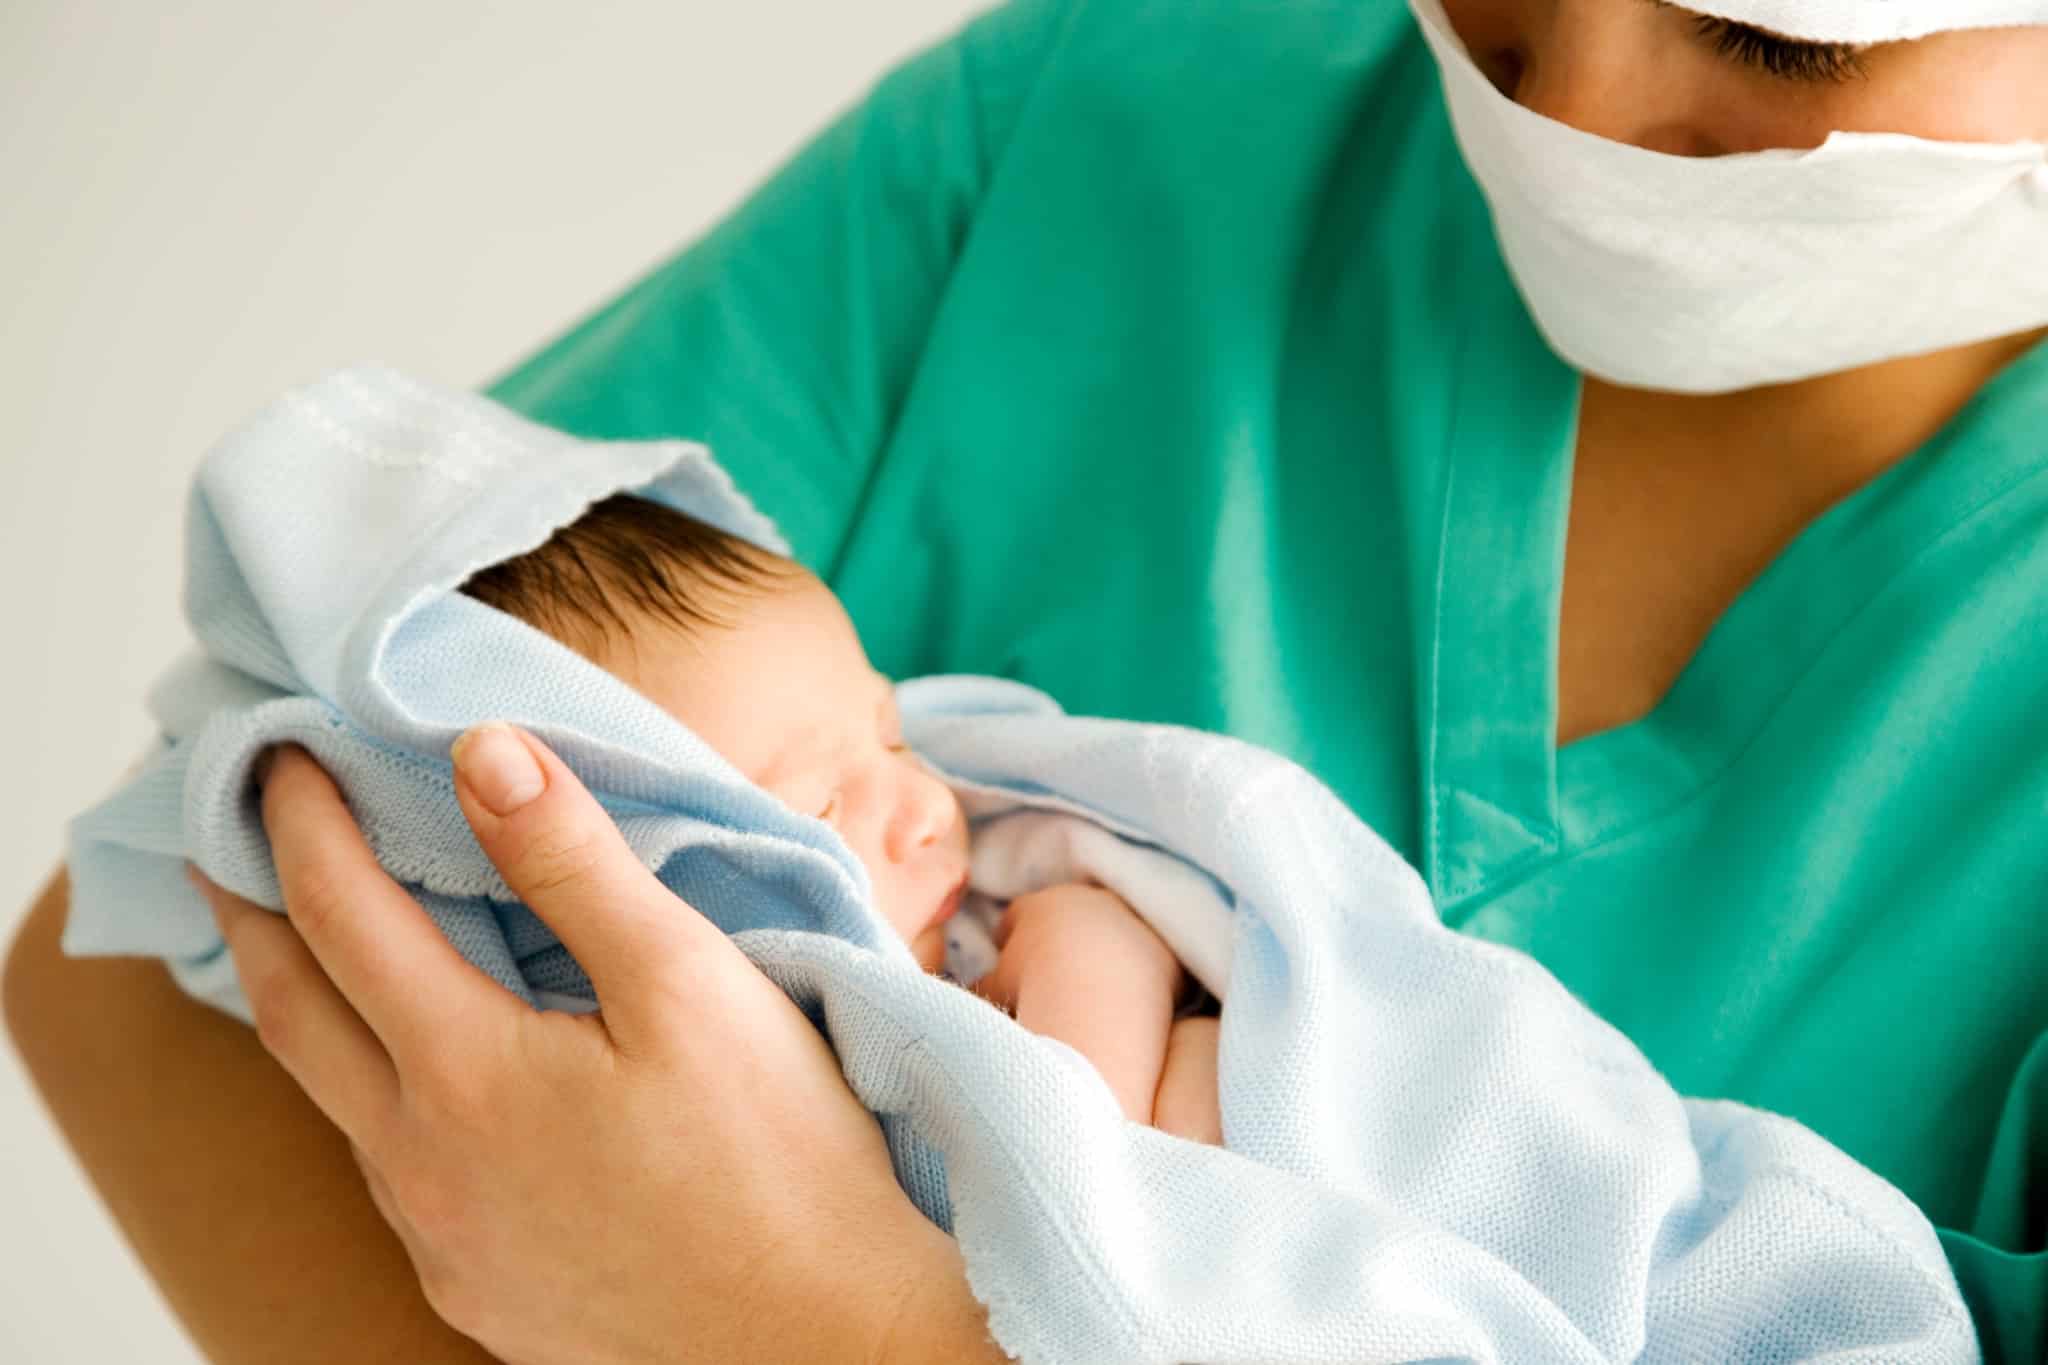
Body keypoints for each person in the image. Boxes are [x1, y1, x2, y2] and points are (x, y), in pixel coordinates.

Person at [6, 0, 2045, 1359]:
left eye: (1773, 35)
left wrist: (819, 1318)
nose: (1568, 102)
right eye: (1509, 1)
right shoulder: (1125, 108)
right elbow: (144, 958)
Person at [456, 490, 1225, 1140]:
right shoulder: (708, 1096)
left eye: (893, 737)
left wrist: (1077, 945)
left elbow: (1092, 1166)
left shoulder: (1008, 930)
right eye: (822, 806)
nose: (928, 806)